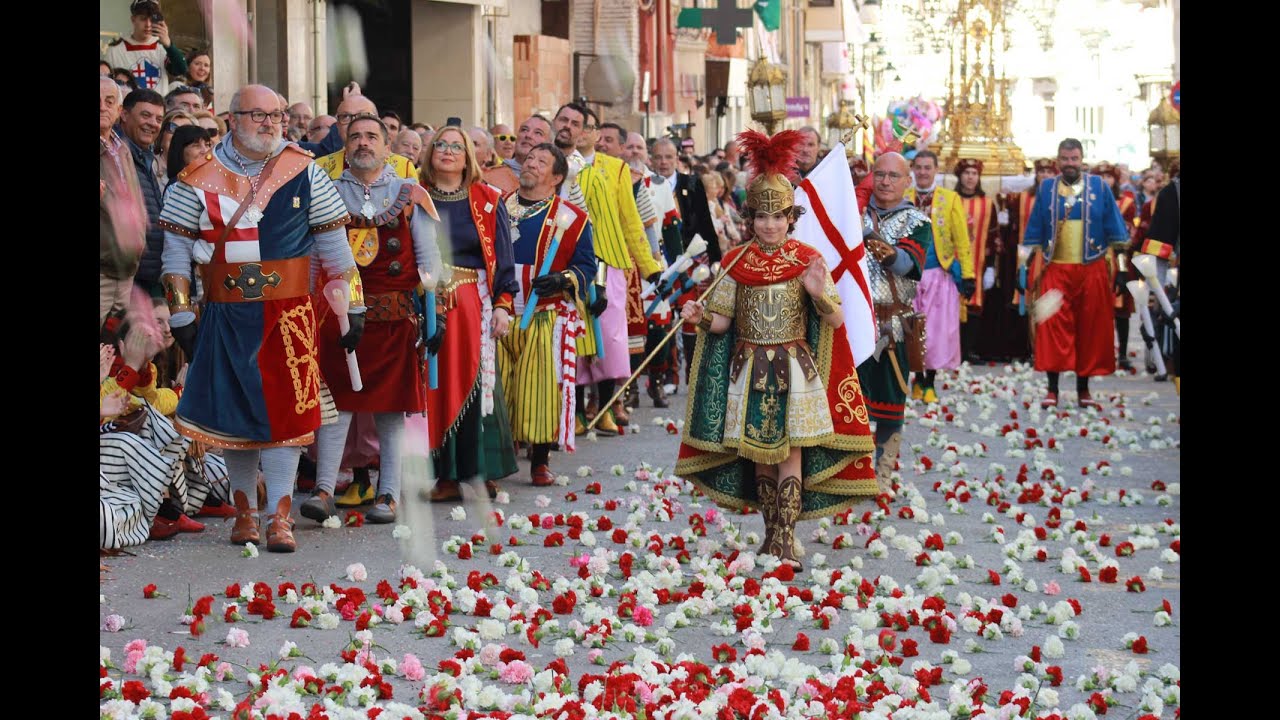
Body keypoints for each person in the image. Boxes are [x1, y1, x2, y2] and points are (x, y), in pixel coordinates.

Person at [158, 84, 365, 553]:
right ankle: (245, 512)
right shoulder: (196, 178)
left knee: (287, 417)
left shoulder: (305, 172)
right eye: (258, 114)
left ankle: (279, 517)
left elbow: (335, 248)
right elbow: (174, 255)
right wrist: (180, 315)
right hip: (224, 314)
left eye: (277, 115)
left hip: (290, 316)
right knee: (233, 416)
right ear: (232, 119)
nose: (271, 123)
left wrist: (354, 305)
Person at [675, 129, 877, 571]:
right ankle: (771, 533)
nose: (769, 225)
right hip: (747, 368)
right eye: (761, 218)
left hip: (795, 368)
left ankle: (787, 537)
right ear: (751, 219)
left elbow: (836, 321)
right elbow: (723, 321)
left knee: (790, 452)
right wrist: (699, 317)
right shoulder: (735, 262)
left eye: (778, 217)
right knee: (759, 456)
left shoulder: (808, 258)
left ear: (791, 217)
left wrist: (820, 293)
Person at [302, 115, 443, 525]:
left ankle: (389, 493)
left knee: (391, 409)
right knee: (336, 405)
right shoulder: (323, 193)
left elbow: (429, 260)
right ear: (345, 146)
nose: (363, 143)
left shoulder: (411, 194)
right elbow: (314, 257)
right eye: (355, 136)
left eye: (372, 137)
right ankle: (325, 488)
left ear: (388, 146)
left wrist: (439, 314)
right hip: (339, 316)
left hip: (395, 318)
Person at [420, 126, 520, 502]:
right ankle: (443, 477)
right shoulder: (415, 195)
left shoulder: (488, 199)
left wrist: (503, 306)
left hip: (472, 304)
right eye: (440, 145)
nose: (447, 152)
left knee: (479, 385)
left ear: (468, 157)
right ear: (430, 153)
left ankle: (479, 471)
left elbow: (503, 260)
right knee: (434, 386)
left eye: (456, 147)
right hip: (426, 303)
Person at [555, 103, 662, 433]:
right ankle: (575, 410)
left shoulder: (616, 168)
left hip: (610, 259)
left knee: (609, 337)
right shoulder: (559, 164)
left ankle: (604, 407)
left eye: (586, 126)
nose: (581, 132)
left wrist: (649, 266)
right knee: (575, 333)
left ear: (595, 133)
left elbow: (631, 221)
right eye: (574, 125)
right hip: (568, 260)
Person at [498, 143, 596, 486]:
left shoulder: (574, 218)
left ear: (556, 177)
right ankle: (498, 458)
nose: (531, 165)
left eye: (541, 162)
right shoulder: (497, 207)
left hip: (544, 314)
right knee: (497, 386)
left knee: (538, 387)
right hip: (500, 310)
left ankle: (540, 460)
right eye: (529, 159)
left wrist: (562, 279)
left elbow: (586, 266)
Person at [1021, 139, 1130, 408]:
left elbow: (1117, 235)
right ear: (1058, 161)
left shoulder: (1100, 188)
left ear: (1082, 159)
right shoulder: (1046, 189)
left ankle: (1084, 391)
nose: (1070, 163)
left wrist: (1124, 271)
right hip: (1055, 269)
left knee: (1090, 329)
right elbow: (1033, 234)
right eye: (1065, 159)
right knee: (1052, 329)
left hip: (1092, 269)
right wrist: (1023, 269)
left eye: (1074, 158)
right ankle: (1052, 390)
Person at [859, 152, 934, 486]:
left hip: (892, 325)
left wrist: (866, 236)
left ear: (907, 181)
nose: (886, 181)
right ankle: (849, 474)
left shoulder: (917, 222)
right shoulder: (853, 213)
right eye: (880, 174)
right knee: (849, 401)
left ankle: (882, 474)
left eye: (893, 176)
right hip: (852, 323)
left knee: (890, 404)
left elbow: (905, 265)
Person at [903, 150, 974, 403]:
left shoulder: (949, 199)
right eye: (918, 167)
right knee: (910, 330)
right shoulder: (904, 197)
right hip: (908, 275)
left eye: (927, 167)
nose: (922, 172)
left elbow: (962, 240)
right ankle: (916, 378)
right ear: (912, 169)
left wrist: (968, 274)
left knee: (933, 333)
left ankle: (929, 382)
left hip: (938, 275)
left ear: (936, 170)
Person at [101, 77, 146, 325]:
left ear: (119, 111)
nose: (102, 107)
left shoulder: (122, 149)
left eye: (109, 102)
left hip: (126, 270)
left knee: (115, 351)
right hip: (102, 270)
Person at [118, 88, 169, 298]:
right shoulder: (113, 155)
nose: (153, 123)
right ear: (124, 114)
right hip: (124, 280)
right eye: (145, 115)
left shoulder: (146, 158)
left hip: (147, 277)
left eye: (158, 118)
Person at [953, 159, 998, 362]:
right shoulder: (951, 200)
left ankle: (969, 349)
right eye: (966, 173)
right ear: (960, 176)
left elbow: (994, 237)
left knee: (974, 309)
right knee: (952, 307)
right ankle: (953, 349)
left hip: (978, 263)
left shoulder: (988, 204)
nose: (970, 177)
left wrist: (990, 267)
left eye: (974, 173)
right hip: (953, 265)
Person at [315, 95, 415, 181]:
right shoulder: (319, 168)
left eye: (363, 115)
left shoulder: (404, 167)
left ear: (378, 122)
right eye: (345, 117)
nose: (354, 122)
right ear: (337, 126)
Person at [103, 1, 188, 94]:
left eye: (152, 19)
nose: (148, 25)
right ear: (133, 19)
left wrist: (169, 45)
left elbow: (181, 70)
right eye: (143, 19)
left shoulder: (162, 47)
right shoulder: (115, 50)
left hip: (158, 106)